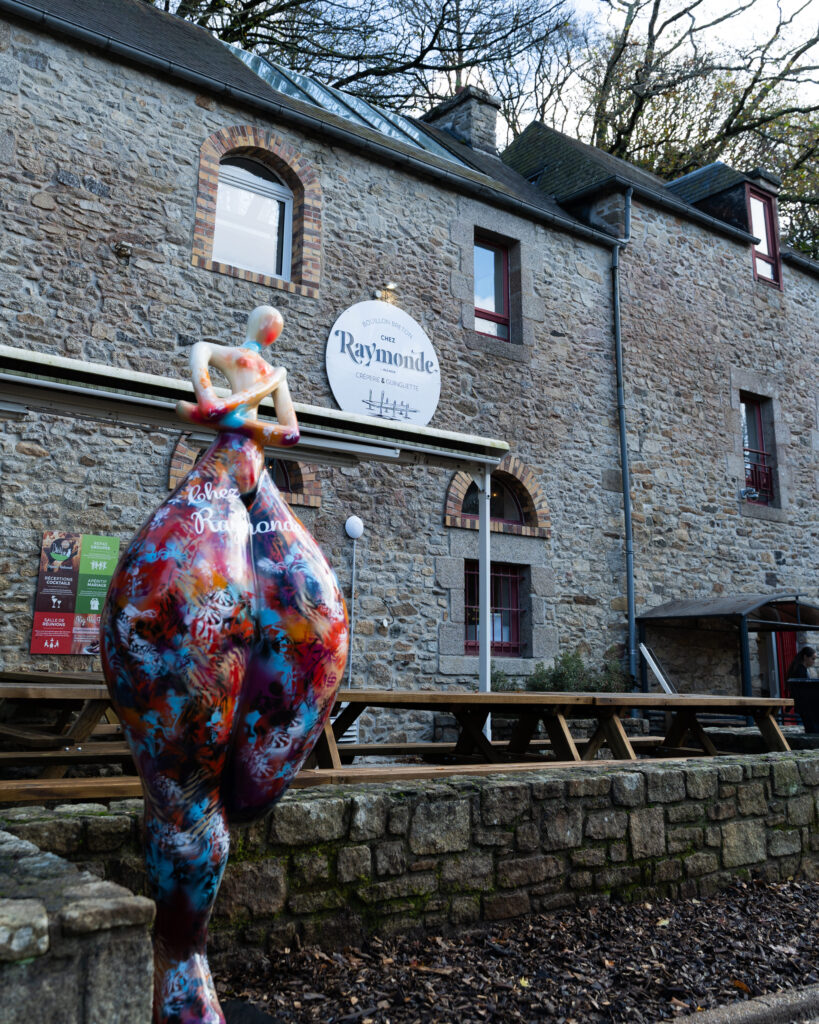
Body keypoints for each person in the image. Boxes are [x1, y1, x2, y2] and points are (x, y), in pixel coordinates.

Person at [102, 306, 348, 1024]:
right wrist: (231, 411)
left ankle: (185, 946)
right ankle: (180, 953)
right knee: (185, 791)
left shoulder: (269, 373)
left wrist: (245, 417)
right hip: (212, 503)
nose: (272, 327)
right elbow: (201, 401)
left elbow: (288, 430)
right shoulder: (218, 353)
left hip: (253, 490)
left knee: (311, 619)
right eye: (267, 321)